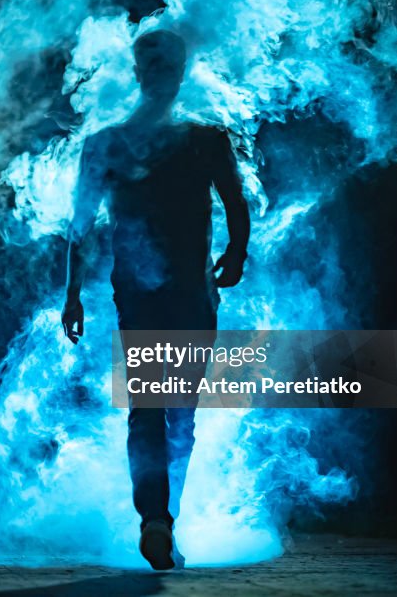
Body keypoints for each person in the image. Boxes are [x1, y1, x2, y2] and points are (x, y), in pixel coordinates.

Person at [61, 29, 250, 570]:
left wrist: (72, 294)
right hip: (188, 292)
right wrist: (235, 254)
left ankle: (156, 520)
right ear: (176, 74)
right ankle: (164, 521)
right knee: (179, 413)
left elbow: (80, 227)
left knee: (149, 407)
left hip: (145, 293)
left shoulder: (110, 143)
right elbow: (236, 205)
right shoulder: (203, 140)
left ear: (142, 74)